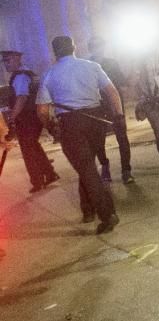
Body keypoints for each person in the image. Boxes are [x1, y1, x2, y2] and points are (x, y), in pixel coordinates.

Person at [35, 36, 122, 234]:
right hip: (96, 120)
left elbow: (41, 110)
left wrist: (50, 126)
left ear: (54, 51)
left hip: (71, 123)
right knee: (87, 164)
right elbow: (112, 91)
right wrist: (119, 115)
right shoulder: (91, 66)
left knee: (87, 169)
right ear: (74, 47)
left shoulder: (49, 74)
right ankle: (88, 210)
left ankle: (107, 214)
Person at [2, 49, 59, 192]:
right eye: (4, 61)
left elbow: (22, 98)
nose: (6, 64)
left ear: (17, 59)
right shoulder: (28, 74)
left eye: (8, 61)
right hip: (33, 116)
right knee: (33, 146)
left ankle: (37, 181)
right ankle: (50, 174)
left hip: (27, 118)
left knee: (28, 150)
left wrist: (12, 117)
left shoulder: (21, 77)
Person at [88, 37, 134, 184]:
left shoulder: (111, 63)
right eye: (96, 47)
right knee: (98, 141)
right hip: (98, 107)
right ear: (91, 49)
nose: (99, 50)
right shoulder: (87, 66)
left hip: (114, 105)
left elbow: (121, 82)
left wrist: (132, 74)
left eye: (100, 47)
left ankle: (126, 170)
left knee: (122, 138)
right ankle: (105, 166)